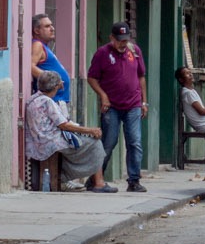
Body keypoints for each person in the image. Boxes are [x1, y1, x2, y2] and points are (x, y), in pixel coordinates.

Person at [85, 22, 148, 193]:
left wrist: (144, 101)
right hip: (111, 106)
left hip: (133, 104)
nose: (122, 44)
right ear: (111, 38)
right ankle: (96, 179)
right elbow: (92, 77)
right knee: (108, 142)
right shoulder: (102, 54)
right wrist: (103, 95)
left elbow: (141, 76)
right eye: (119, 40)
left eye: (125, 40)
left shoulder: (134, 51)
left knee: (134, 142)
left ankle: (134, 181)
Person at [27, 70, 107, 189]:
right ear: (55, 87)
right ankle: (96, 183)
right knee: (95, 144)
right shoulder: (47, 102)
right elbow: (64, 125)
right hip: (51, 141)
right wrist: (90, 130)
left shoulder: (33, 99)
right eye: (59, 84)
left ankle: (63, 178)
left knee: (79, 142)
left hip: (39, 141)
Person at [29, 14, 72, 96]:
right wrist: (53, 81)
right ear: (37, 31)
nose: (52, 29)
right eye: (47, 26)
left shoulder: (44, 46)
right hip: (51, 100)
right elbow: (30, 67)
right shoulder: (37, 45)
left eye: (51, 25)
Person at [178, 67, 205, 134]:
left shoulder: (192, 91)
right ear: (181, 80)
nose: (191, 74)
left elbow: (203, 108)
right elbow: (201, 111)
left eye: (190, 72)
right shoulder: (188, 93)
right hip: (203, 125)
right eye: (187, 74)